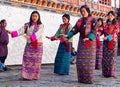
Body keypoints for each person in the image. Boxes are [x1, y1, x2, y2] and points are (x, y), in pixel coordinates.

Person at [61, 5, 96, 84]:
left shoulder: (93, 20)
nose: (82, 13)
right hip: (82, 42)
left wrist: (89, 38)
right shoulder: (80, 20)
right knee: (80, 61)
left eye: (84, 11)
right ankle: (81, 78)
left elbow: (94, 30)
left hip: (90, 43)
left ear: (88, 11)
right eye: (81, 12)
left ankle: (88, 79)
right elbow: (75, 29)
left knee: (88, 62)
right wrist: (68, 35)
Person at [7, 11, 44, 80]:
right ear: (31, 17)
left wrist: (30, 37)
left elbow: (38, 33)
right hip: (29, 45)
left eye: (36, 16)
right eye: (33, 16)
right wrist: (12, 32)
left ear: (38, 17)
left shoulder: (41, 25)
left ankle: (34, 76)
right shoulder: (27, 25)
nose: (34, 17)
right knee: (26, 60)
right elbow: (20, 31)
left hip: (37, 46)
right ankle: (26, 76)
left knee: (35, 62)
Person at [102, 11, 119, 77]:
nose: (110, 17)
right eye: (109, 15)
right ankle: (105, 73)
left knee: (112, 58)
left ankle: (111, 73)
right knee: (105, 58)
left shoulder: (116, 24)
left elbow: (115, 33)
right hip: (105, 43)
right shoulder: (106, 24)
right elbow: (102, 30)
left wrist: (108, 37)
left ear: (114, 16)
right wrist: (98, 34)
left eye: (111, 15)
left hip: (113, 42)